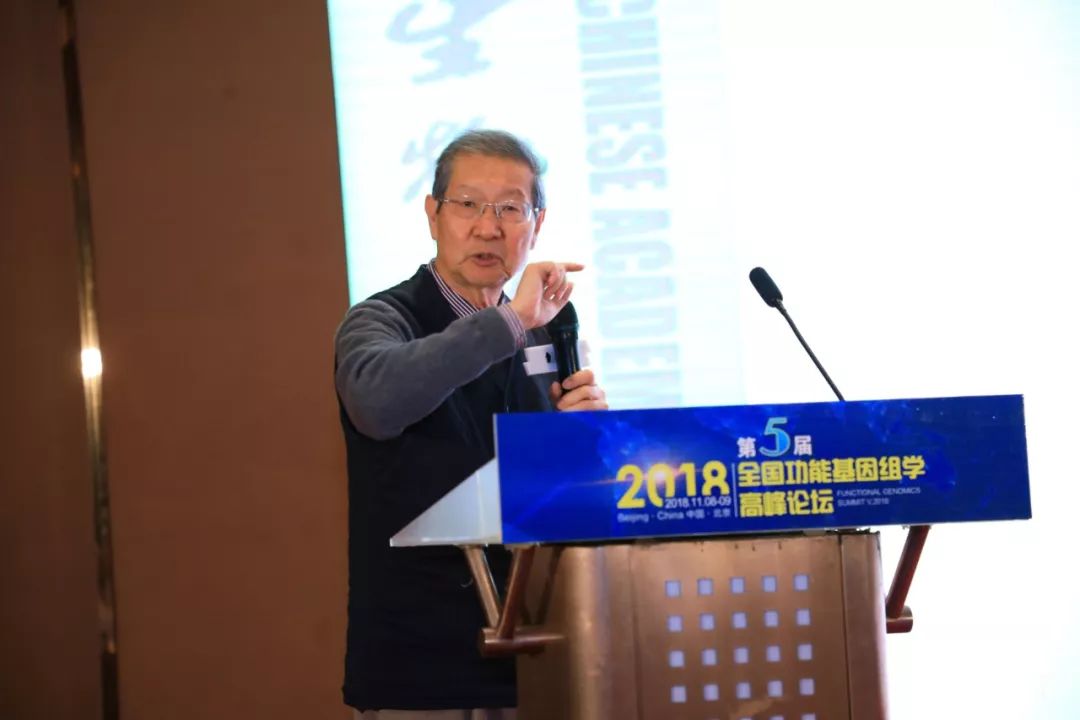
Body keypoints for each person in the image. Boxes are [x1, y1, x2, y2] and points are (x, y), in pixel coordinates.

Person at [334, 129, 607, 719]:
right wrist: (509, 322)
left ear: (536, 223)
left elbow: (558, 498)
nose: (488, 227)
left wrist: (585, 440)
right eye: (467, 205)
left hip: (541, 661)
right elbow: (375, 402)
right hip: (422, 673)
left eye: (510, 208)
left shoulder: (546, 330)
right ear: (432, 215)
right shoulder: (382, 319)